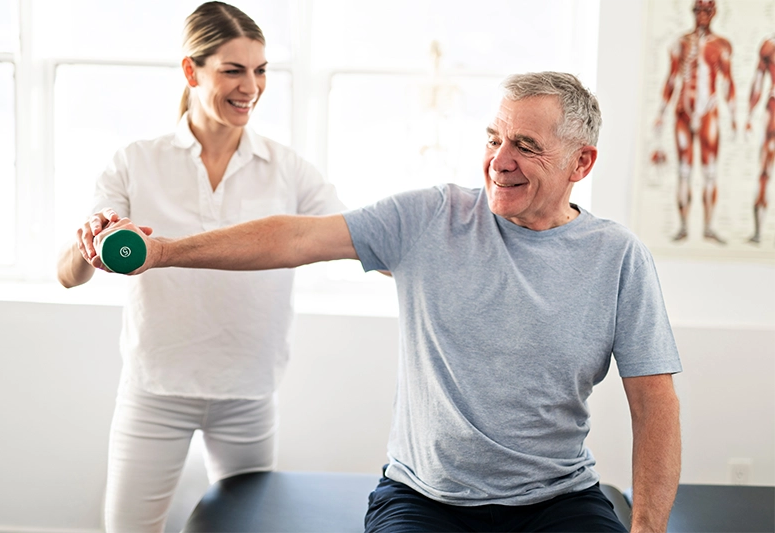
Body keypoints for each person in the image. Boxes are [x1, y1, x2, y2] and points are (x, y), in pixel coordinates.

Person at [86, 72, 682, 533]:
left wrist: (648, 527)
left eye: (526, 146)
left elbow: (654, 402)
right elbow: (294, 236)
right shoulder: (431, 218)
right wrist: (161, 252)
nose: (500, 162)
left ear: (582, 162)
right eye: (495, 139)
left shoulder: (617, 258)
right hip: (425, 499)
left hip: (557, 499)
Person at [56, 2, 344, 532]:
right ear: (192, 71)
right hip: (155, 390)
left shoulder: (288, 170)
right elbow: (69, 274)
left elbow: (353, 237)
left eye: (260, 71)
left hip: (247, 391)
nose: (251, 87)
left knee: (249, 527)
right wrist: (88, 244)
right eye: (233, 70)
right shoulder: (136, 161)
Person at [650, 0, 737, 243]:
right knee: (684, 171)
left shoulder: (721, 45)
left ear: (714, 12)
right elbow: (671, 80)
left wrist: (732, 117)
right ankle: (684, 226)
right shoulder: (680, 43)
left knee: (710, 172)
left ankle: (708, 226)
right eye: (698, 10)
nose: (702, 15)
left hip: (709, 112)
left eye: (707, 10)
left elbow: (728, 81)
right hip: (683, 112)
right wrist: (660, 113)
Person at [745, 34, 775, 244]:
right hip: (773, 111)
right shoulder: (769, 45)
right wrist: (748, 114)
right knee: (765, 168)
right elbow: (757, 81)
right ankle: (758, 231)